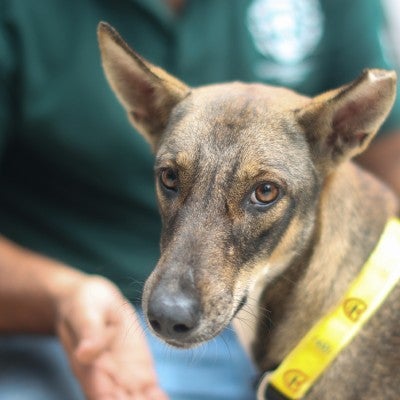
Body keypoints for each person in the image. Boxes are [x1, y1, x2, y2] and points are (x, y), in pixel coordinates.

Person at [0, 1, 399, 399]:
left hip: (269, 333)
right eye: (172, 178)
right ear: (146, 110)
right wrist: (60, 297)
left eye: (263, 192)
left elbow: (390, 162)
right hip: (65, 325)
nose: (172, 304)